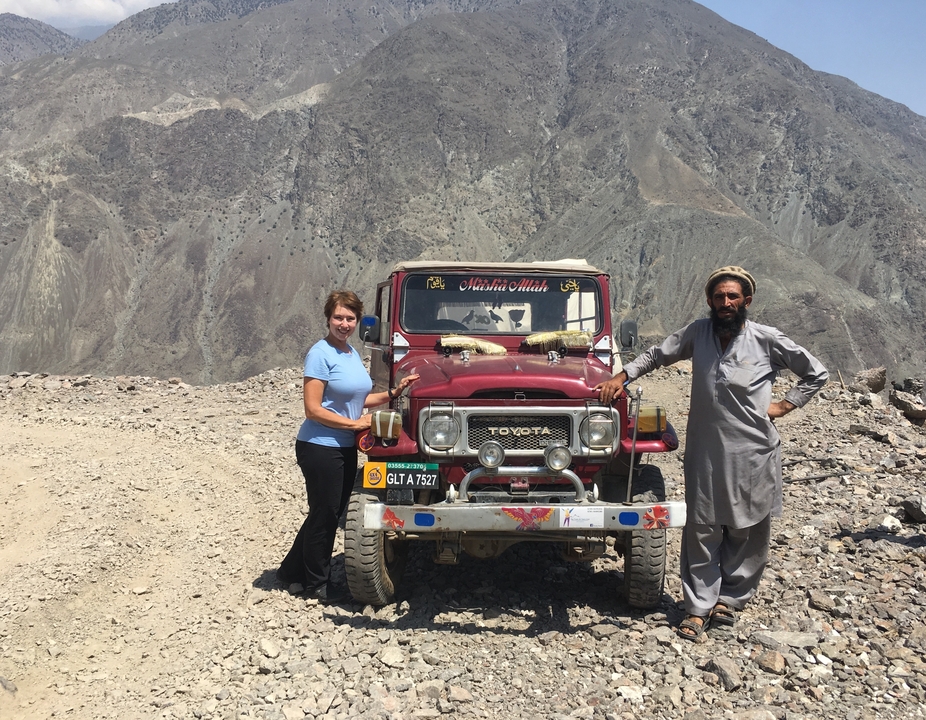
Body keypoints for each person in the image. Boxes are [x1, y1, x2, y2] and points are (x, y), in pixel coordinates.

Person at [596, 266, 828, 640]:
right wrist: (622, 377)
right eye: (719, 297)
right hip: (705, 449)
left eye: (733, 297)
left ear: (746, 302)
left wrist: (786, 405)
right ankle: (699, 606)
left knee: (747, 526)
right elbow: (657, 354)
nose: (725, 303)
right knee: (702, 526)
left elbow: (816, 372)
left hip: (753, 450)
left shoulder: (767, 340)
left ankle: (731, 599)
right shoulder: (697, 333)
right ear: (709, 301)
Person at [277, 290, 418, 603]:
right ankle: (317, 584)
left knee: (327, 511)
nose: (344, 323)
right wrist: (356, 425)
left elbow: (358, 399)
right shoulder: (320, 353)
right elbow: (312, 409)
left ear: (357, 321)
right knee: (325, 515)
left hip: (343, 446)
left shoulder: (350, 353)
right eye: (338, 317)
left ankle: (289, 572)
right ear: (328, 318)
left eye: (350, 318)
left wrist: (393, 392)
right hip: (319, 445)